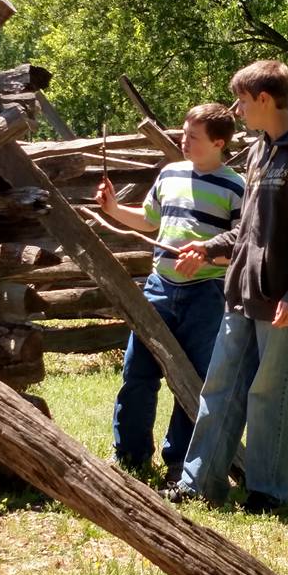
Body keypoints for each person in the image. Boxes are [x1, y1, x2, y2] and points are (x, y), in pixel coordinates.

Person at [166, 60, 288, 513]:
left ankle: (267, 491)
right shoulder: (259, 150)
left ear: (264, 98)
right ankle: (198, 483)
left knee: (269, 393)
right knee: (220, 387)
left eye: (241, 100)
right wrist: (209, 247)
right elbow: (249, 228)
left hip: (282, 296)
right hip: (240, 288)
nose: (236, 110)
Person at [96, 103, 245, 483]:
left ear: (219, 142)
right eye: (183, 133)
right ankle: (130, 455)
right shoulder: (170, 174)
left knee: (192, 379)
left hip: (206, 294)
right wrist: (113, 208)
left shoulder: (236, 187)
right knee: (137, 372)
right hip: (159, 288)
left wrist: (208, 257)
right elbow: (150, 220)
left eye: (192, 136)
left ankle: (179, 460)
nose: (183, 141)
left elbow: (243, 246)